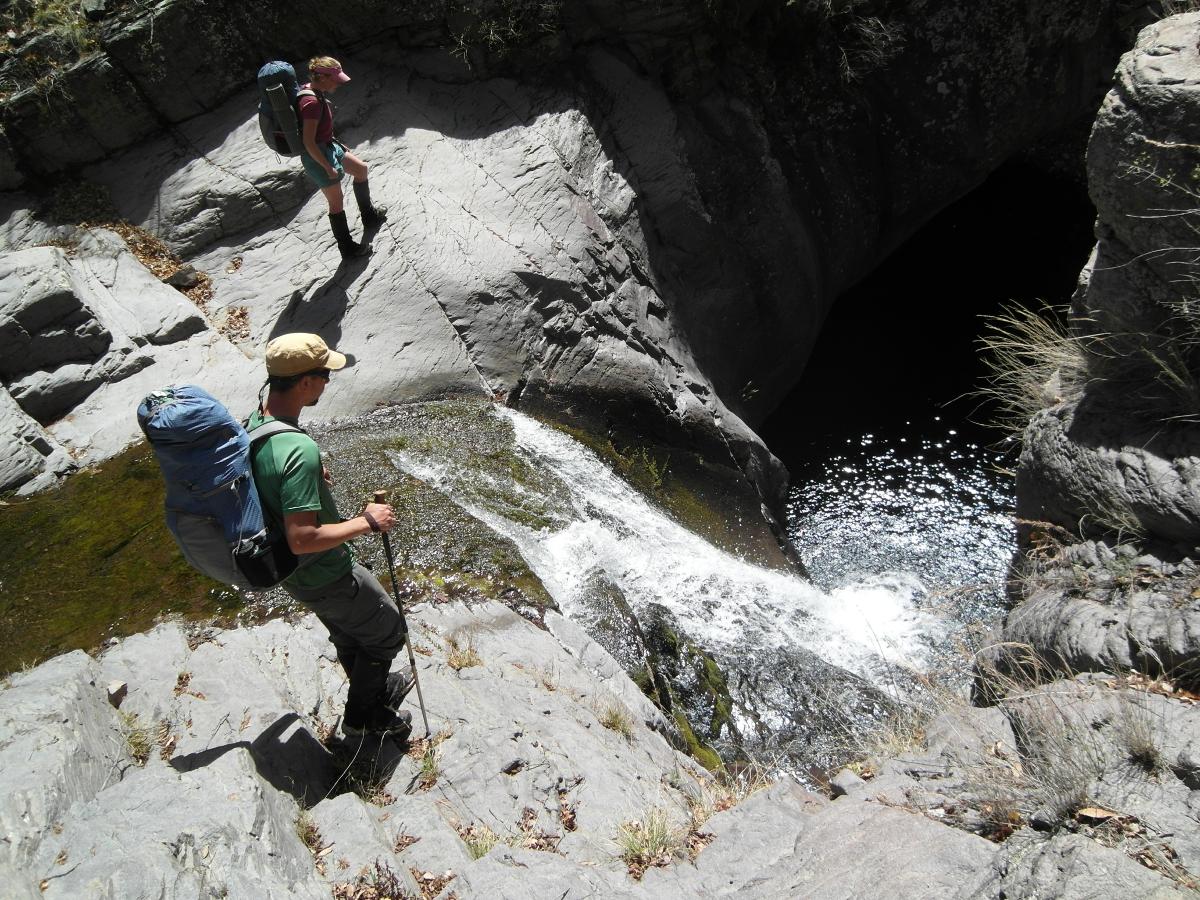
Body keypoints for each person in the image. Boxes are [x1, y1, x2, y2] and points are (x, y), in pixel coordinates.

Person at [248, 332, 411, 738]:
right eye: (324, 375)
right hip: (325, 571)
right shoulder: (298, 451)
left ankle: (369, 690)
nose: (327, 382)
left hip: (295, 577)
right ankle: (363, 721)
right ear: (305, 382)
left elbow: (267, 480)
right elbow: (302, 537)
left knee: (348, 631)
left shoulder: (257, 423)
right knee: (390, 633)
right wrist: (368, 521)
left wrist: (306, 483)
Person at [299, 55, 387, 259]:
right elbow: (308, 142)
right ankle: (347, 248)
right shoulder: (310, 102)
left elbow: (320, 132)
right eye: (335, 79)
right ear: (322, 78)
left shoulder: (314, 89)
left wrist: (335, 142)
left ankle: (369, 216)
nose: (338, 83)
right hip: (318, 156)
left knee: (361, 170)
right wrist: (327, 167)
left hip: (330, 147)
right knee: (336, 202)